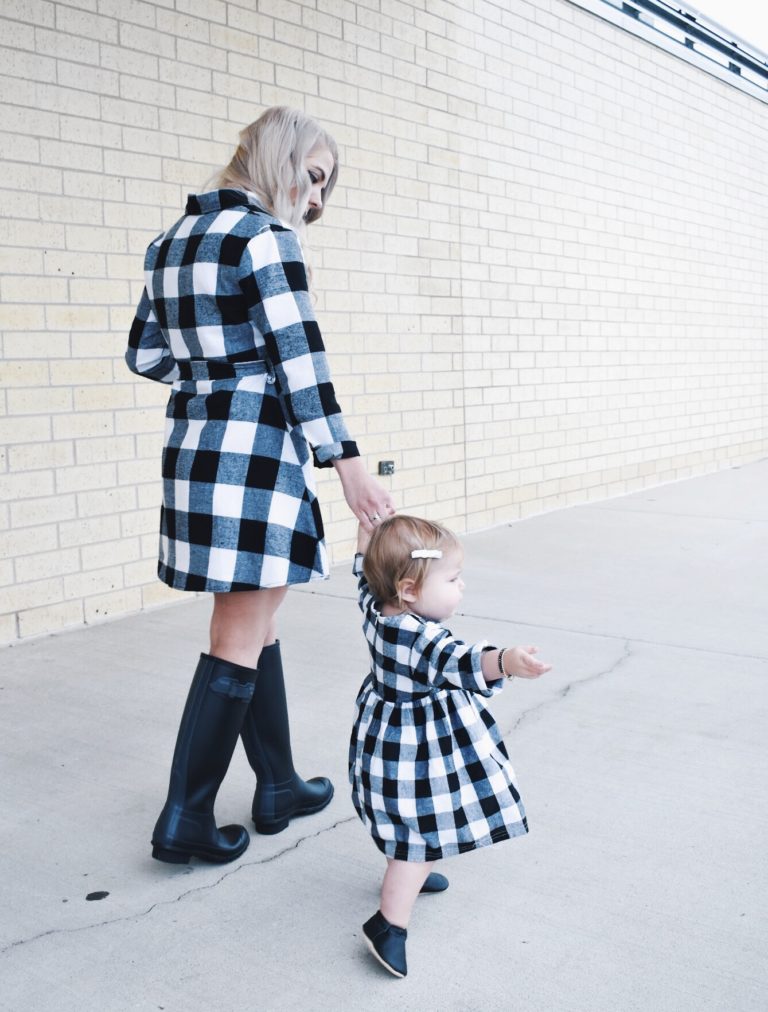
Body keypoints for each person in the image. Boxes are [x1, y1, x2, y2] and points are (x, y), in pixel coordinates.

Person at [126, 106, 394, 865]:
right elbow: (299, 359)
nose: (315, 202)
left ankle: (277, 784)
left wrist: (214, 379)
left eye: (324, 190)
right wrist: (346, 463)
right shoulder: (263, 239)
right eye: (314, 178)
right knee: (237, 637)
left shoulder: (171, 241)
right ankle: (185, 820)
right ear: (278, 157)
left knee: (257, 622)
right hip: (255, 455)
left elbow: (145, 354)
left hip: (196, 447)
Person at [349, 515, 551, 977]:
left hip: (384, 737)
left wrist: (366, 543)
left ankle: (407, 876)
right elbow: (462, 661)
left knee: (404, 819)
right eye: (453, 579)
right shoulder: (420, 638)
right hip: (419, 750)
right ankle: (388, 925)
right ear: (409, 591)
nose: (462, 587)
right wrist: (508, 661)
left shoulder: (377, 608)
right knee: (422, 834)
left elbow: (363, 576)